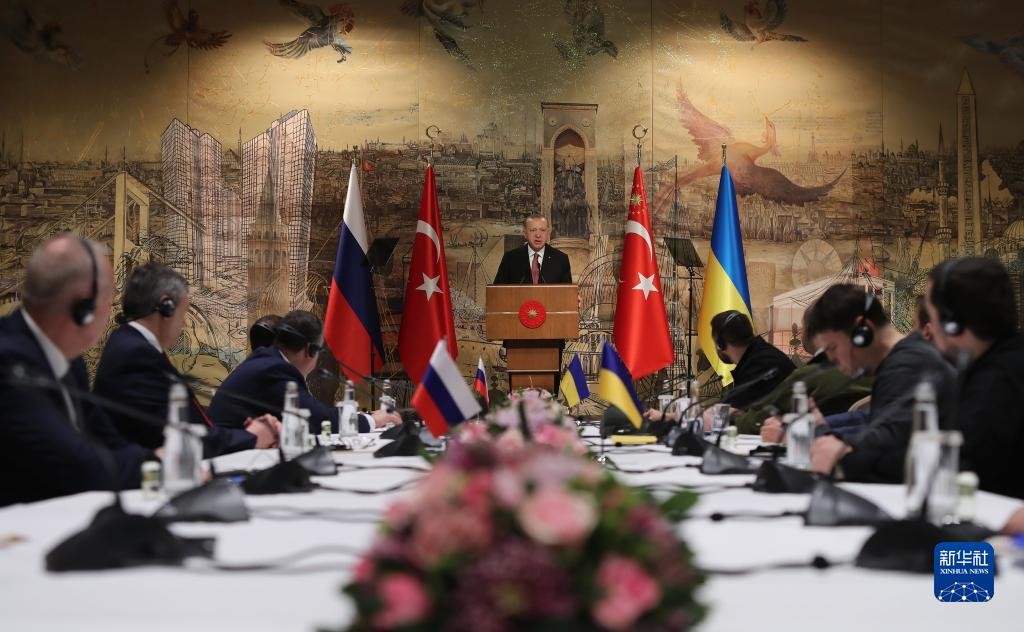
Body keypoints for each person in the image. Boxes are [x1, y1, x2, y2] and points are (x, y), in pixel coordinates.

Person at [0, 235, 153, 506]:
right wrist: (161, 469)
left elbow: (107, 440)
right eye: (109, 301)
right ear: (84, 308)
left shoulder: (69, 359)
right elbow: (82, 467)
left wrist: (155, 461)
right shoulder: (9, 362)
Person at [94, 263, 278, 456]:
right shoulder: (135, 356)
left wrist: (242, 433)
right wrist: (251, 437)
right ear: (166, 307)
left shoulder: (131, 344)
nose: (183, 324)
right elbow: (179, 437)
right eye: (183, 314)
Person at [806, 284, 956, 482]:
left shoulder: (909, 364)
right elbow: (878, 425)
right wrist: (822, 430)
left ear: (862, 331)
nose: (832, 360)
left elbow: (892, 445)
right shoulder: (904, 360)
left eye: (832, 348)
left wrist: (833, 443)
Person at [924, 257, 1024, 500]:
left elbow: (957, 465)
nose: (929, 326)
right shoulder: (1003, 362)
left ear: (952, 322)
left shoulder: (996, 385)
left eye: (931, 315)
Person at [209, 309, 400, 433]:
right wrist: (371, 420)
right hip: (226, 457)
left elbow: (315, 412)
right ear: (311, 350)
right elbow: (319, 420)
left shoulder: (269, 361)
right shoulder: (274, 369)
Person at [493, 214, 572, 284]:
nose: (538, 235)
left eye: (542, 230)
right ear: (525, 234)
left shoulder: (561, 259)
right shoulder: (510, 258)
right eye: (533, 230)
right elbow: (497, 291)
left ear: (548, 233)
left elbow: (567, 292)